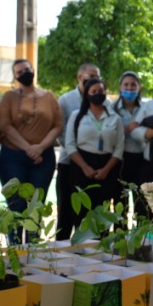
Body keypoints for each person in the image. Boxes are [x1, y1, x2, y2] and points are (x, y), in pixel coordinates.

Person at [0, 59, 62, 244]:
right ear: (15, 76)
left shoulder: (49, 96)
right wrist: (28, 148)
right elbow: (5, 125)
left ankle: (33, 251)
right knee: (16, 206)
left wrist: (40, 147)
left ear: (33, 70)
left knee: (36, 206)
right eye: (19, 72)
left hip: (43, 157)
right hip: (13, 157)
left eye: (26, 69)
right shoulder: (9, 97)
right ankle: (15, 251)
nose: (24, 73)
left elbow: (57, 125)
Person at [62, 76, 123, 229]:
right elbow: (69, 144)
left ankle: (102, 247)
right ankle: (82, 248)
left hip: (107, 167)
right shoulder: (77, 116)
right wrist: (85, 167)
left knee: (103, 211)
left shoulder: (115, 118)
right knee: (82, 211)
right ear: (87, 94)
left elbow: (119, 148)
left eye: (101, 91)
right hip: (81, 165)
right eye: (94, 91)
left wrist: (106, 170)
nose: (98, 94)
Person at [55, 62, 101, 241]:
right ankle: (60, 255)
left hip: (95, 167)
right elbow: (61, 131)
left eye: (97, 76)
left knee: (89, 214)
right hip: (69, 163)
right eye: (91, 76)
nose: (95, 80)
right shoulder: (65, 100)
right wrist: (79, 155)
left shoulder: (104, 102)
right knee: (65, 212)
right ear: (80, 77)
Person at [113, 71, 151, 217]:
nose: (129, 88)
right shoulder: (112, 109)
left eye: (133, 85)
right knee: (121, 201)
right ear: (120, 87)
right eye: (126, 85)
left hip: (142, 158)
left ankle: (141, 236)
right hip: (121, 158)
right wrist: (128, 130)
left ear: (139, 87)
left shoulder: (146, 108)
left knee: (141, 201)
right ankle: (120, 235)